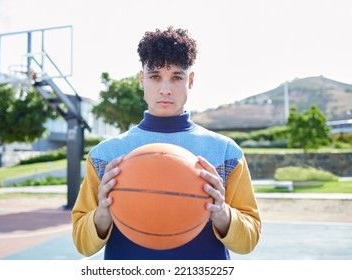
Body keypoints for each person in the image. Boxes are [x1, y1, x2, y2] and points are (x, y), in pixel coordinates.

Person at [72, 26, 261, 260]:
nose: (165, 89)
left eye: (176, 77)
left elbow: (249, 240)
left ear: (190, 80)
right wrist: (102, 214)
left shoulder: (226, 152)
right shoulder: (105, 155)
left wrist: (223, 213)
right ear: (142, 79)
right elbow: (82, 243)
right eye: (155, 77)